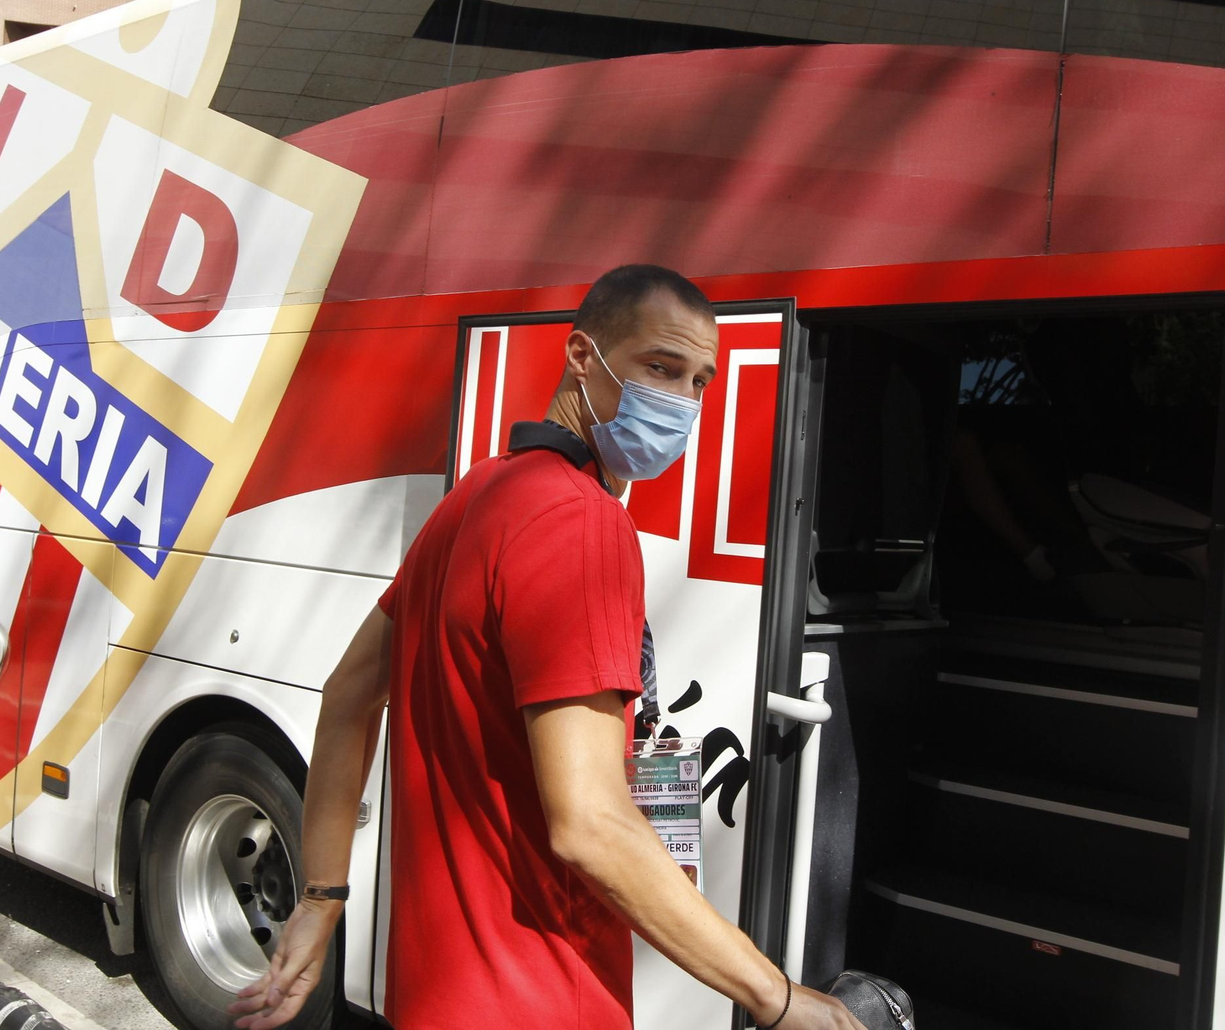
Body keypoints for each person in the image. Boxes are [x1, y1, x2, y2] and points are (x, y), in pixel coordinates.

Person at [230, 265, 861, 1030]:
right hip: (541, 1001)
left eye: (700, 381)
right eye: (660, 368)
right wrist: (780, 998)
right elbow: (590, 821)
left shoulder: (476, 495)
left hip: (435, 1000)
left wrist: (322, 897)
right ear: (582, 356)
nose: (683, 403)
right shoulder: (581, 521)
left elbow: (346, 695)